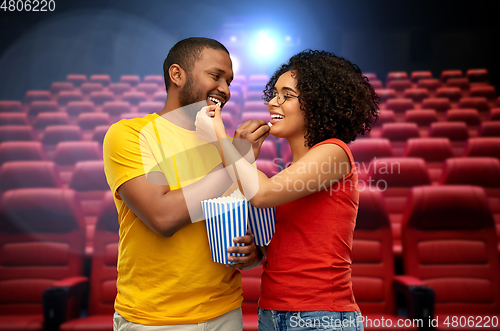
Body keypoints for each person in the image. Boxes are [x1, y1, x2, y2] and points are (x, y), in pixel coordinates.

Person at [195, 49, 379, 331]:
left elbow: (262, 194)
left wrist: (219, 133)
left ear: (317, 104)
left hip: (319, 316)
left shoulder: (334, 153)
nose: (272, 103)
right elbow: (290, 244)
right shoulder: (289, 173)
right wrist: (256, 255)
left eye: (286, 95)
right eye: (274, 94)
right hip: (272, 311)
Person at [103, 37, 270, 330]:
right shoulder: (129, 134)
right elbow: (163, 216)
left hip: (226, 311)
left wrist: (253, 253)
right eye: (215, 76)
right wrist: (237, 159)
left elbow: (245, 222)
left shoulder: (225, 147)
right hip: (154, 319)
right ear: (177, 75)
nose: (226, 90)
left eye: (229, 81)